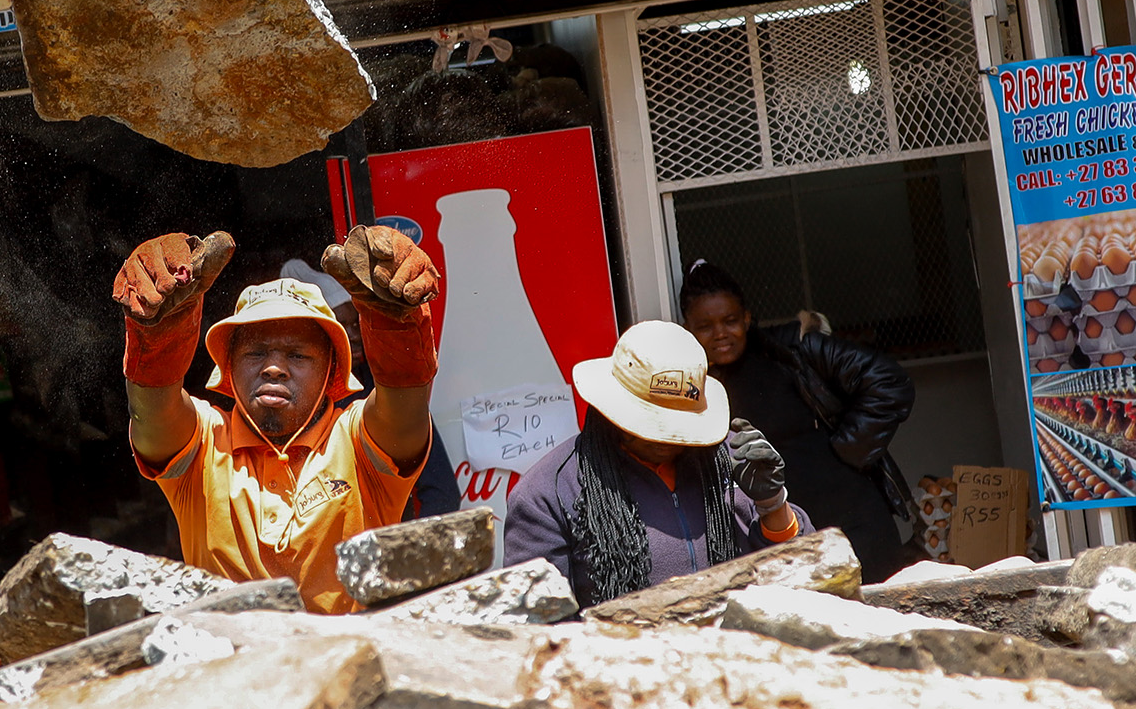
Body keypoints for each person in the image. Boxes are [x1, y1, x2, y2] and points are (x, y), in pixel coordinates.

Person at [119, 226, 441, 613]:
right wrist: (155, 336)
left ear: (331, 372)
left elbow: (404, 398)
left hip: (348, 667)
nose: (274, 368)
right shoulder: (205, 441)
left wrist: (398, 325)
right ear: (229, 369)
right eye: (256, 353)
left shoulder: (357, 438)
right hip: (231, 668)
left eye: (298, 355)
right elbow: (153, 410)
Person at [503, 320, 814, 607]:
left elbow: (802, 566)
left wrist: (772, 502)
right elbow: (538, 628)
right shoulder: (548, 493)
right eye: (652, 425)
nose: (667, 439)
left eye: (679, 427)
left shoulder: (726, 458)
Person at [678, 260, 917, 583]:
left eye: (730, 320)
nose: (720, 333)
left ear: (747, 318)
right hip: (781, 543)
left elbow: (889, 382)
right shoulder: (694, 389)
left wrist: (847, 450)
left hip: (855, 524)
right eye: (705, 326)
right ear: (688, 329)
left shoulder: (792, 351)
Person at [281, 257, 461, 517]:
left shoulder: (387, 397)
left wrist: (412, 553)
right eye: (343, 325)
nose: (354, 334)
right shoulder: (289, 408)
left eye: (357, 324)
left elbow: (442, 493)